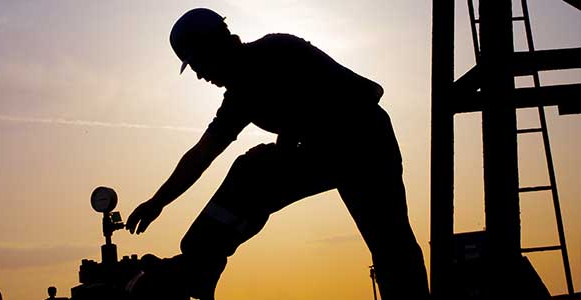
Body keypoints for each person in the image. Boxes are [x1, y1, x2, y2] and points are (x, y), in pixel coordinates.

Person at [126, 7, 429, 300]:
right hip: (328, 151)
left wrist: (283, 150)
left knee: (390, 242)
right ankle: (200, 264)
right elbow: (202, 154)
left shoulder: (276, 50)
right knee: (254, 171)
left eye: (198, 65)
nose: (200, 76)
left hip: (364, 142)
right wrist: (158, 201)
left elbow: (316, 101)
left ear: (217, 47)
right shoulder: (238, 98)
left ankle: (198, 264)